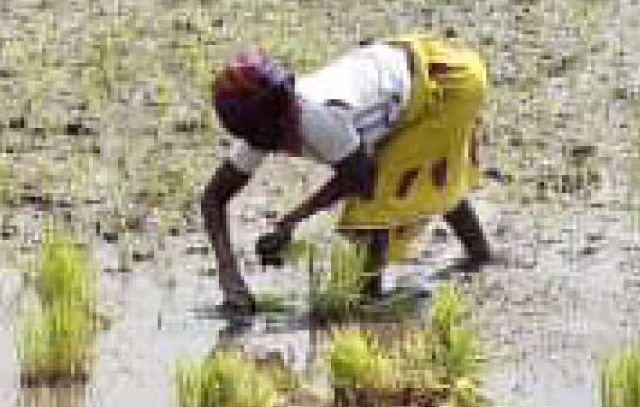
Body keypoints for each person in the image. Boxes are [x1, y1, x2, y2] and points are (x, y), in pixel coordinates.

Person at [200, 35, 493, 316]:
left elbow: (362, 179)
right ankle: (480, 255)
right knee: (422, 173)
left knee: (373, 207)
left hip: (447, 85)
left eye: (286, 104)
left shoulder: (315, 116)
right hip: (416, 69)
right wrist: (229, 273)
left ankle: (367, 297)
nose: (289, 115)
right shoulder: (263, 128)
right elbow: (214, 198)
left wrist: (292, 221)